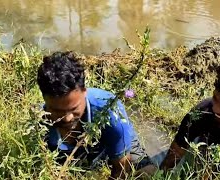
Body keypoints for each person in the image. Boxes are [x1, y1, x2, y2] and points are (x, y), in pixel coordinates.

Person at [37, 51, 155, 179]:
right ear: (45, 99)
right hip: (70, 153)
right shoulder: (38, 122)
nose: (67, 118)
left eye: (74, 109)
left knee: (148, 174)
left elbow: (120, 170)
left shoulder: (111, 112)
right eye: (57, 111)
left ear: (84, 92)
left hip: (109, 144)